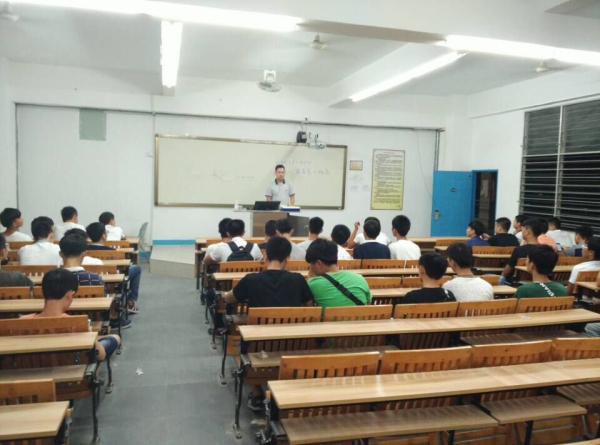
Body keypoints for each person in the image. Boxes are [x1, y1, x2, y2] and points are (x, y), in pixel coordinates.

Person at [223, 236, 314, 411]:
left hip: (260, 346)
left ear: (265, 256)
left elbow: (229, 298)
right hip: (292, 343)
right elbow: (310, 308)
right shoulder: (297, 279)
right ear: (287, 258)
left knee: (245, 341)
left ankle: (257, 393)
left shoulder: (251, 279)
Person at [20, 269, 120, 361]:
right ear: (69, 295)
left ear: (42, 293)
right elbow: (100, 355)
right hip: (73, 371)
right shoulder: (77, 324)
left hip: (31, 369)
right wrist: (89, 334)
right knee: (114, 338)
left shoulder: (22, 321)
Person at [59, 233, 132, 329]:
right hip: (92, 325)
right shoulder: (94, 278)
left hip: (61, 325)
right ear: (84, 253)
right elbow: (105, 302)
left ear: (60, 254)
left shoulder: (51, 280)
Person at [87, 222, 143, 314]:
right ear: (103, 236)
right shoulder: (113, 252)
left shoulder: (83, 251)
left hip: (90, 280)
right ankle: (131, 302)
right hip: (111, 282)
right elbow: (120, 268)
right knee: (136, 269)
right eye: (106, 232)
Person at [306, 239, 371, 308]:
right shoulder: (359, 279)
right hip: (361, 315)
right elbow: (369, 303)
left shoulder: (313, 284)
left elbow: (308, 306)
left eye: (311, 263)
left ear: (319, 263)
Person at [501, 218, 543, 283]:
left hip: (518, 283)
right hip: (540, 282)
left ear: (528, 231)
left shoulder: (519, 250)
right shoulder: (545, 250)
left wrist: (501, 276)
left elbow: (506, 272)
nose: (521, 232)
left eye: (523, 229)